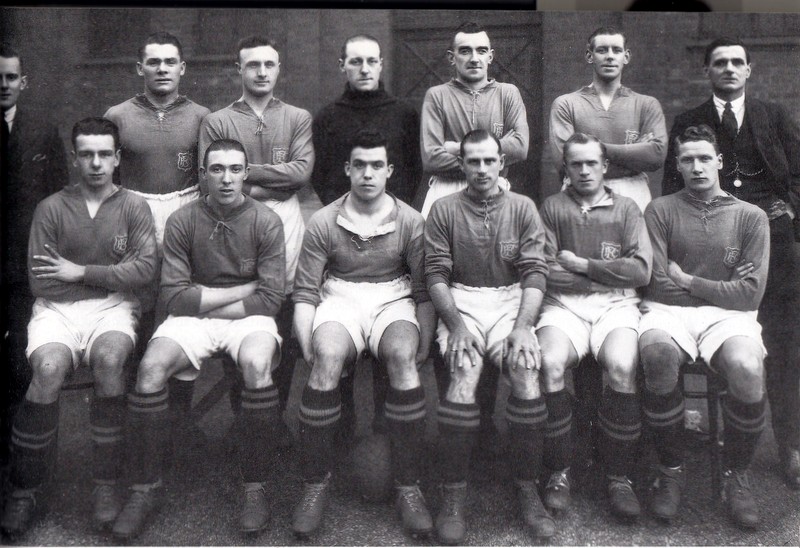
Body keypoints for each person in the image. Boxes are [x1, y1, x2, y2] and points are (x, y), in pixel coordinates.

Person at [111, 139, 286, 540]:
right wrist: (239, 292)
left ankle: (255, 487)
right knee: (151, 368)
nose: (226, 178)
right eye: (217, 169)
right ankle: (144, 488)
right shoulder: (182, 220)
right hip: (202, 312)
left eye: (235, 169)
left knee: (258, 364)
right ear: (203, 175)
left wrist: (205, 302)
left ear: (246, 173)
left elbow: (272, 298)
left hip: (245, 319)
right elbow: (173, 295)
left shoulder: (265, 220)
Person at [0, 118, 158, 537]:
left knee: (108, 361)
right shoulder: (51, 207)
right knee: (48, 370)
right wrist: (104, 273)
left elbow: (144, 271)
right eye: (86, 154)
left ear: (117, 158)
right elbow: (42, 281)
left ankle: (106, 485)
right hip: (57, 310)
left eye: (105, 154)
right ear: (73, 158)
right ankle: (23, 489)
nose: (95, 163)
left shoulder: (133, 206)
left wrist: (80, 271)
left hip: (113, 309)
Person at [662, 37, 800, 491]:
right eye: (720, 62)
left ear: (749, 69)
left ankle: (791, 446)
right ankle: (685, 436)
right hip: (710, 240)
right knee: (706, 332)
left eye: (737, 62)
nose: (729, 69)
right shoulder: (689, 121)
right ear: (707, 71)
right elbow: (669, 189)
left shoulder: (773, 116)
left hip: (771, 240)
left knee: (782, 343)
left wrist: (790, 207)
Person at [290, 130, 434, 540]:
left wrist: (423, 343)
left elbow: (422, 290)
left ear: (388, 171)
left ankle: (409, 487)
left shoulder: (410, 220)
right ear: (348, 169)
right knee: (328, 361)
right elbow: (305, 291)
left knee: (403, 361)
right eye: (360, 166)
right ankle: (314, 485)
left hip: (393, 296)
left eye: (376, 166)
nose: (368, 174)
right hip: (340, 296)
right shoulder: (322, 220)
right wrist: (309, 347)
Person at [640, 125, 770, 528]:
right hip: (668, 311)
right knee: (658, 353)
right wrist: (722, 287)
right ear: (677, 165)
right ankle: (671, 469)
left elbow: (750, 296)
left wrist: (690, 281)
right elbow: (655, 282)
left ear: (720, 162)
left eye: (703, 158)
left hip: (727, 317)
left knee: (748, 368)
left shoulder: (751, 217)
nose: (696, 167)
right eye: (687, 159)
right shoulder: (660, 210)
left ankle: (736, 474)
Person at [425, 129, 552, 544]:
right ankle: (453, 497)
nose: (481, 169)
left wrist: (522, 326)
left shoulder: (523, 207)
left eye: (489, 161)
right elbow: (436, 275)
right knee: (464, 373)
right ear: (461, 165)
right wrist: (457, 324)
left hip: (509, 302)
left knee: (526, 370)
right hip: (462, 301)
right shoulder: (443, 208)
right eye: (473, 161)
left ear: (503, 163)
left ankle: (528, 488)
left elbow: (534, 272)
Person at [419, 20, 529, 453]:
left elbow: (522, 147)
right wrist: (484, 152)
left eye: (480, 50)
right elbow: (430, 156)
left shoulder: (508, 94)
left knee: (492, 280)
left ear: (491, 54)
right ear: (452, 57)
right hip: (446, 196)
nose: (473, 58)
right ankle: (455, 413)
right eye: (464, 51)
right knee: (448, 286)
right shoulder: (436, 96)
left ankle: (484, 423)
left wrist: (460, 150)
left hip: (496, 193)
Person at [103, 31, 210, 461]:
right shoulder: (118, 114)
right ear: (140, 68)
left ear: (182, 68)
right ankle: (138, 420)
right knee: (136, 309)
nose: (162, 69)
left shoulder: (202, 115)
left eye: (170, 62)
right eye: (154, 62)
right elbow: (106, 176)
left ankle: (179, 423)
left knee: (178, 312)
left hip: (184, 212)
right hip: (135, 212)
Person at [310, 33, 422, 442]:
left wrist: (389, 215)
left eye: (370, 61)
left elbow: (411, 169)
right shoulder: (326, 117)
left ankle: (384, 429)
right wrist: (347, 218)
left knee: (390, 337)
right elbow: (323, 173)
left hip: (391, 229)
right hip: (345, 228)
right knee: (340, 340)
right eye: (354, 61)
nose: (363, 68)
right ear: (343, 65)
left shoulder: (404, 114)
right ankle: (341, 425)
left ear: (380, 65)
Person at [537, 133, 652, 521]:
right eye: (576, 164)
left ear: (605, 167)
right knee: (550, 363)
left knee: (621, 366)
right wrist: (607, 275)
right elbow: (547, 272)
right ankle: (559, 470)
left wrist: (585, 266)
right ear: (565, 169)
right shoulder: (552, 207)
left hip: (616, 305)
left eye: (591, 163)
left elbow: (640, 270)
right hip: (564, 306)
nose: (584, 170)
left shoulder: (628, 209)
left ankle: (619, 477)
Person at [199, 35, 313, 423]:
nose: (261, 72)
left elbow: (301, 173)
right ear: (239, 70)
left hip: (285, 217)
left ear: (278, 68)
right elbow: (211, 182)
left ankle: (273, 417)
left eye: (269, 64)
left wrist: (244, 174)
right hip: (235, 219)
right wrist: (264, 181)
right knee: (244, 310)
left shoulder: (297, 117)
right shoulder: (217, 120)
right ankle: (243, 419)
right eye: (253, 65)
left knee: (282, 303)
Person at [0, 43, 69, 469]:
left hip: (25, 270)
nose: (3, 85)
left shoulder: (42, 131)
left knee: (26, 362)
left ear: (22, 82)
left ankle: (29, 463)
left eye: (9, 77)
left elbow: (59, 197)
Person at [549, 27, 667, 212]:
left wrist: (593, 149)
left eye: (617, 50)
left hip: (633, 193)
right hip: (581, 196)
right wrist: (633, 153)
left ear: (626, 57)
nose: (610, 56)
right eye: (602, 50)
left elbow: (656, 156)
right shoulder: (566, 104)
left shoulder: (646, 104)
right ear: (589, 56)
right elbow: (565, 161)